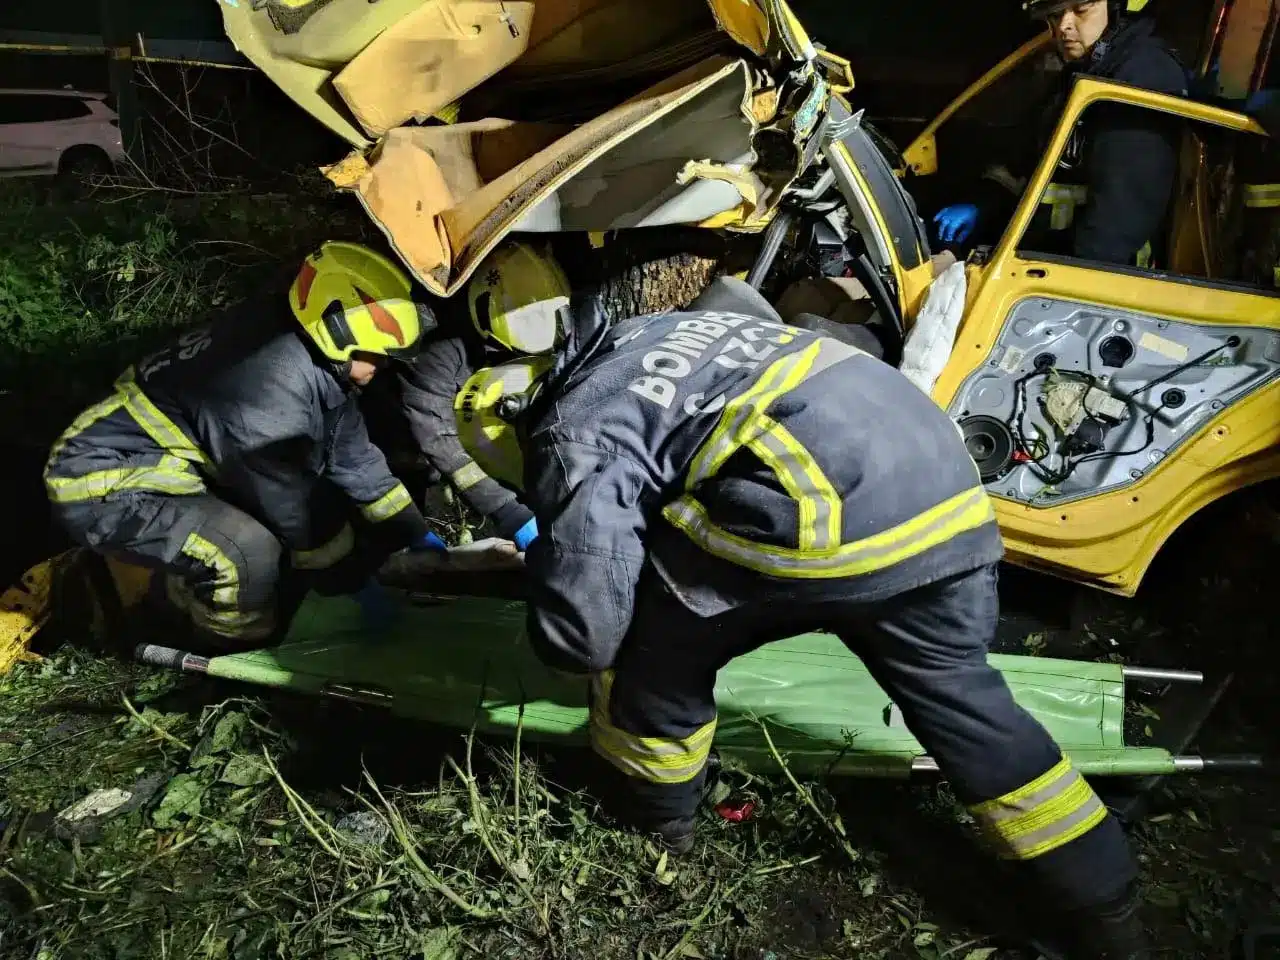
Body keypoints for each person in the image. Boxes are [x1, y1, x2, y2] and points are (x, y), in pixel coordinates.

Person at [456, 274, 1148, 958]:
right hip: (943, 487)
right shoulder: (650, 330)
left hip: (823, 509)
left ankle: (656, 826)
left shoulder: (574, 431)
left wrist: (556, 563)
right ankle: (1108, 911)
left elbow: (583, 633)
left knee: (649, 649)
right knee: (963, 700)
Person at [44, 241, 444, 652]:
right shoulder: (265, 390)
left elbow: (354, 458)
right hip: (100, 479)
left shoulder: (308, 355)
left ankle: (176, 592)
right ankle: (221, 655)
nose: (383, 368)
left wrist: (411, 532)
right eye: (377, 356)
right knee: (245, 552)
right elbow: (295, 508)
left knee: (288, 537)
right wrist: (349, 582)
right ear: (338, 337)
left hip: (173, 463)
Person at [934, 0, 1187, 267]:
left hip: (1095, 277)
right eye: (1055, 15)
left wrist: (1064, 281)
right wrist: (983, 204)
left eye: (1081, 10)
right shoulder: (1083, 72)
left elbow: (1117, 220)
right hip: (1048, 257)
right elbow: (1029, 157)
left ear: (1116, 8)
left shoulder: (1141, 78)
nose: (1064, 26)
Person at [396, 241, 571, 553]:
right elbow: (434, 435)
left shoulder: (537, 306)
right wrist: (505, 509)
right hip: (396, 441)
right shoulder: (437, 347)